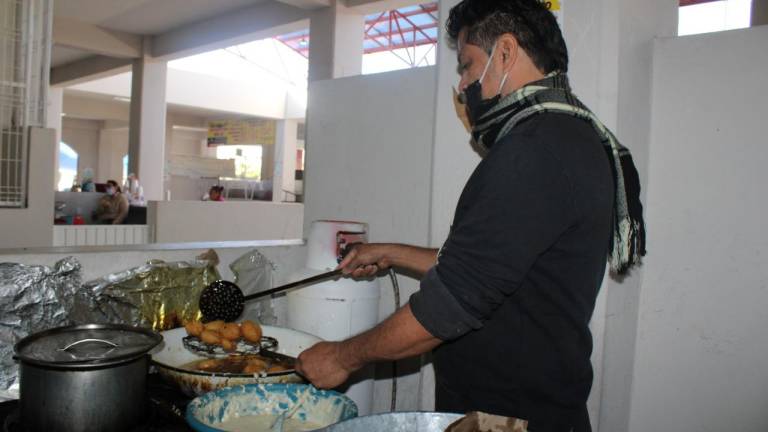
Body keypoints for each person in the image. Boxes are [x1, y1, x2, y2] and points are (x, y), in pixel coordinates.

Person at [295, 1, 646, 431]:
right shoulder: (570, 136)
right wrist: (391, 253)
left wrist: (340, 357)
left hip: (509, 418)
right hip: (531, 407)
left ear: (505, 52)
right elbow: (488, 270)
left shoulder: (534, 150)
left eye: (466, 66)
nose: (462, 86)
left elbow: (451, 305)